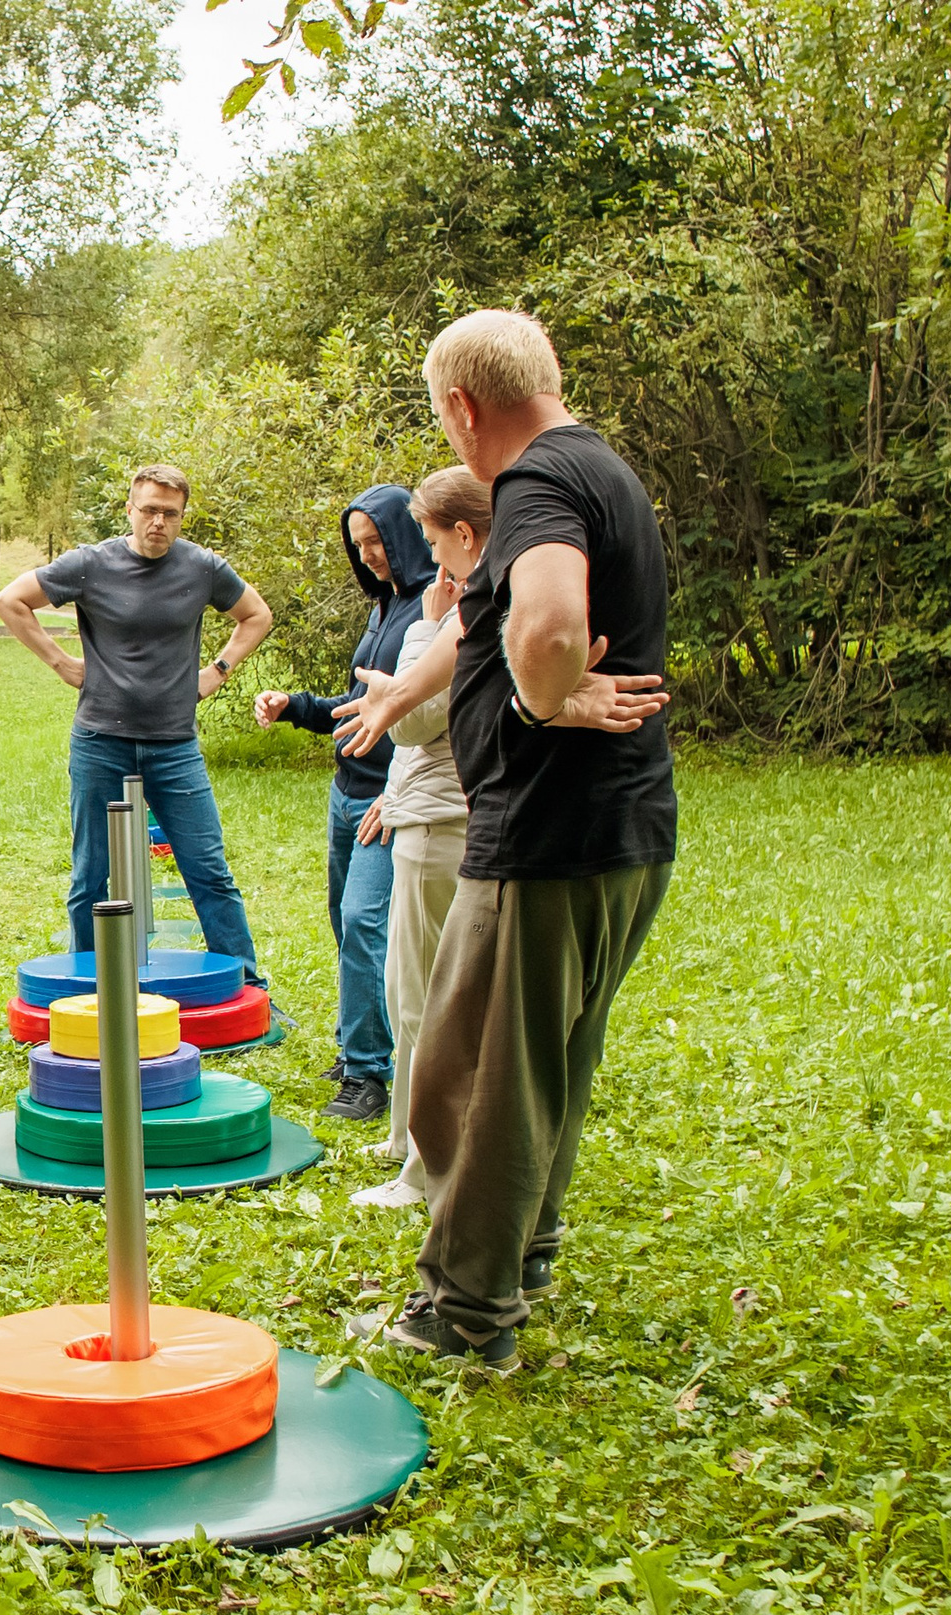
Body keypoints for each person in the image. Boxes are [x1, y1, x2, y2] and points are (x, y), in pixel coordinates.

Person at [342, 309, 676, 1371]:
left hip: (546, 836)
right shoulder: (594, 470)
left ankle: (463, 1313)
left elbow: (538, 627)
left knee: (471, 1075)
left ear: (460, 405)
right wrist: (402, 692)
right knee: (541, 1063)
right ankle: (522, 1252)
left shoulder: (533, 487)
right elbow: (479, 625)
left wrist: (546, 699)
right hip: (617, 832)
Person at [0, 465, 275, 982]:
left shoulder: (204, 568)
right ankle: (90, 989)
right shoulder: (90, 565)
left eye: (170, 514)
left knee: (209, 872)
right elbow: (9, 601)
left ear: (182, 517)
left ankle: (249, 989)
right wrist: (60, 662)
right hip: (101, 740)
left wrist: (217, 671)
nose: (158, 522)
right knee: (91, 876)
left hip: (175, 745)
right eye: (148, 510)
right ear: (130, 510)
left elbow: (256, 615)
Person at [252, 489, 438, 1124]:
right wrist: (298, 706)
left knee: (364, 921)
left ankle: (368, 1074)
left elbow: (440, 715)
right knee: (347, 921)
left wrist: (397, 790)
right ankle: (361, 1045)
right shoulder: (383, 607)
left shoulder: (435, 610)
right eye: (358, 546)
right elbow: (365, 700)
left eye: (377, 542)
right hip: (347, 790)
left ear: (407, 534)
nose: (369, 556)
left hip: (389, 798)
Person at [347, 466, 486, 1211]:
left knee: (426, 1001)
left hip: (443, 824)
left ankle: (424, 1170)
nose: (432, 562)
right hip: (420, 809)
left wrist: (429, 630)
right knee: (409, 993)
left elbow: (413, 723)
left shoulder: (457, 612)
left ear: (463, 535)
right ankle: (405, 1135)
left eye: (434, 542)